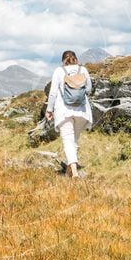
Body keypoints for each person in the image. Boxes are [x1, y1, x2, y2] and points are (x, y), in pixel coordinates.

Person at [45, 50, 93, 178]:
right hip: (82, 110)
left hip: (64, 110)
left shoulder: (59, 71)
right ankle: (69, 171)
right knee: (74, 140)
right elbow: (89, 89)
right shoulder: (83, 70)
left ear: (63, 60)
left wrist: (49, 110)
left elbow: (53, 93)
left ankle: (75, 173)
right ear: (75, 59)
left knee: (68, 140)